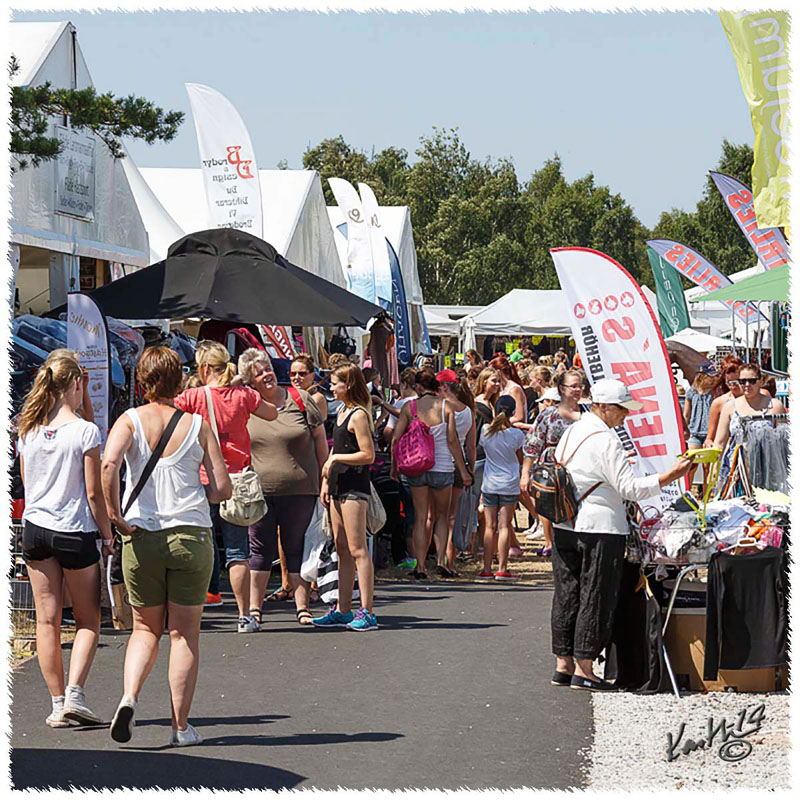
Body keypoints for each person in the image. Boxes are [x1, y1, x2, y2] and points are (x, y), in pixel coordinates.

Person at [101, 347, 232, 746]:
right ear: (179, 381)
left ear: (141, 381)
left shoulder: (129, 421)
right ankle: (180, 727)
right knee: (183, 635)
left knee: (144, 628)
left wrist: (115, 515)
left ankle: (129, 696)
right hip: (191, 534)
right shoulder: (197, 424)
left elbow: (108, 465)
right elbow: (222, 487)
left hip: (141, 536)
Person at [551, 379, 692, 691]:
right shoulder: (606, 440)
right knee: (595, 595)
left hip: (564, 523)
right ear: (603, 406)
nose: (625, 416)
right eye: (622, 410)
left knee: (567, 593)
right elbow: (630, 489)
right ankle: (585, 669)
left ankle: (564, 664)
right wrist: (671, 475)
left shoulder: (571, 431)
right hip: (600, 525)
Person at [17, 357, 112, 729]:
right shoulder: (85, 432)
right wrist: (106, 535)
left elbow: (28, 484)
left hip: (35, 528)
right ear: (76, 384)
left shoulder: (28, 430)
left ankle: (57, 703)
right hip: (74, 529)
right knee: (88, 619)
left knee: (47, 620)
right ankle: (75, 693)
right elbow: (93, 492)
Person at [175, 340, 277, 632]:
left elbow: (167, 411)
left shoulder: (192, 397)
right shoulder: (243, 395)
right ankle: (245, 615)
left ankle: (199, 603)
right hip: (238, 481)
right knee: (237, 551)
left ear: (204, 368)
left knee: (201, 546)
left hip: (202, 479)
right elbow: (272, 413)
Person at [239, 349, 328, 626]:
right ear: (249, 381)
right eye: (258, 372)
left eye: (267, 368)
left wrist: (326, 480)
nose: (266, 374)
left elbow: (320, 442)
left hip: (301, 489)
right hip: (259, 493)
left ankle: (303, 607)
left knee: (298, 548)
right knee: (259, 551)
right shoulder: (245, 405)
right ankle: (255, 609)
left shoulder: (300, 400)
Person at [312, 364, 377, 631]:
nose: (332, 387)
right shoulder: (342, 411)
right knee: (341, 548)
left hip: (354, 487)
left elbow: (368, 454)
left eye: (336, 383)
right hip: (338, 486)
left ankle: (368, 611)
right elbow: (335, 448)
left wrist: (336, 459)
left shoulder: (359, 415)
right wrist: (326, 480)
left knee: (358, 548)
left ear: (348, 384)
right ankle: (343, 608)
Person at [390, 369, 472, 580]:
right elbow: (453, 442)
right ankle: (441, 561)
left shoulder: (410, 407)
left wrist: (394, 466)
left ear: (418, 386)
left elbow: (395, 439)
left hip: (417, 466)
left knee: (421, 517)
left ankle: (420, 566)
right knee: (442, 517)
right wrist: (463, 471)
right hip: (442, 466)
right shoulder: (446, 407)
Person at [521, 370, 584, 555]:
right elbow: (533, 444)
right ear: (562, 389)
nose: (578, 390)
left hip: (579, 467)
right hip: (551, 467)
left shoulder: (588, 413)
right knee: (549, 505)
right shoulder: (549, 414)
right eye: (573, 386)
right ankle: (550, 543)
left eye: (580, 386)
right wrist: (525, 474)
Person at [712, 363, 786, 491]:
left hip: (767, 469)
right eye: (742, 381)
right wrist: (714, 468)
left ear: (760, 381)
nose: (747, 385)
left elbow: (784, 442)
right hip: (736, 468)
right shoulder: (730, 407)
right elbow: (719, 442)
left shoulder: (775, 406)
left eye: (751, 381)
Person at [477, 395, 525, 582]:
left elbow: (483, 448)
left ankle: (487, 568)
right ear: (513, 412)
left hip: (490, 483)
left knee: (489, 527)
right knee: (505, 526)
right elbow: (520, 458)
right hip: (509, 483)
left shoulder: (486, 430)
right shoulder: (516, 435)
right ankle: (502, 568)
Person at [437, 368, 476, 573]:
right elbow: (470, 446)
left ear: (443, 387)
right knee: (451, 517)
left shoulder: (440, 408)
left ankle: (436, 561)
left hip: (439, 462)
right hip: (459, 465)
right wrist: (469, 471)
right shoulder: (468, 410)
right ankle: (449, 561)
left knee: (432, 516)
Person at [683, 364, 717, 490]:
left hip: (709, 432)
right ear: (702, 376)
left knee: (708, 467)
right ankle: (687, 493)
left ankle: (706, 497)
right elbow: (686, 413)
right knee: (690, 465)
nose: (713, 379)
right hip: (694, 431)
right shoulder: (691, 391)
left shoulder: (715, 392)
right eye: (710, 376)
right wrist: (684, 430)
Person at [704, 356, 744, 445]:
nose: (733, 386)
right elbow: (710, 438)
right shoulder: (719, 403)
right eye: (729, 382)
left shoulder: (755, 397)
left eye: (737, 381)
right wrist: (709, 444)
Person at [489, 354, 528, 429]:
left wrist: (498, 423)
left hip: (515, 433)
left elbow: (519, 416)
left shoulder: (514, 389)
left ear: (498, 372)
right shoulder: (501, 389)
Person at [290, 353, 328, 424]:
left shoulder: (316, 399)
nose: (296, 377)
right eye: (293, 374)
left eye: (302, 374)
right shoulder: (287, 396)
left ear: (312, 375)